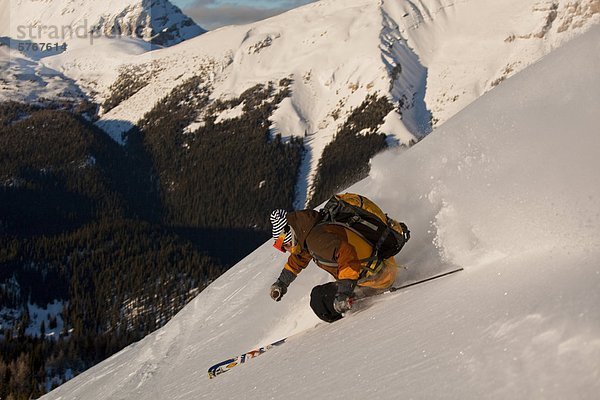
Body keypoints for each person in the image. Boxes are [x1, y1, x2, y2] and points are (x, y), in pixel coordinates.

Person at [269, 208, 399, 322]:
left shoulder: (316, 240)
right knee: (323, 295)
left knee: (319, 301)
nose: (286, 250)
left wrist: (343, 293)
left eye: (284, 246)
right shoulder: (312, 233)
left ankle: (347, 311)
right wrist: (281, 283)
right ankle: (348, 299)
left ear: (290, 234)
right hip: (378, 268)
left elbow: (347, 255)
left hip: (377, 278)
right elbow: (299, 258)